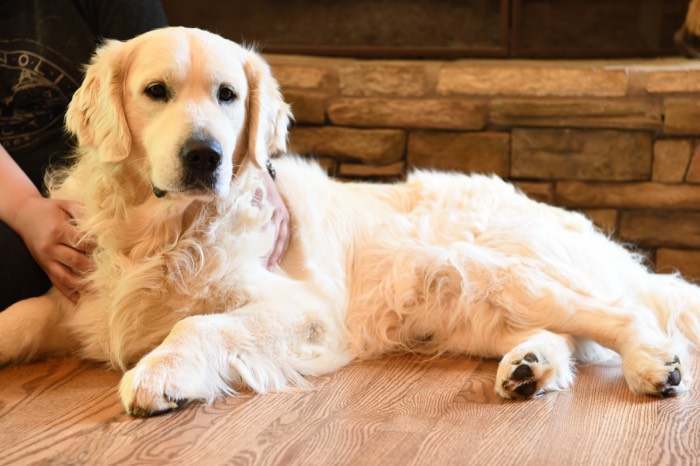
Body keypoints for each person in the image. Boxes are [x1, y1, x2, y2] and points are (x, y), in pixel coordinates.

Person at [0, 1, 290, 310]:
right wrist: (24, 208)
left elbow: (176, 53)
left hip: (103, 200)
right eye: (158, 91)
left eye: (226, 94)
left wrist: (259, 168)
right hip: (52, 200)